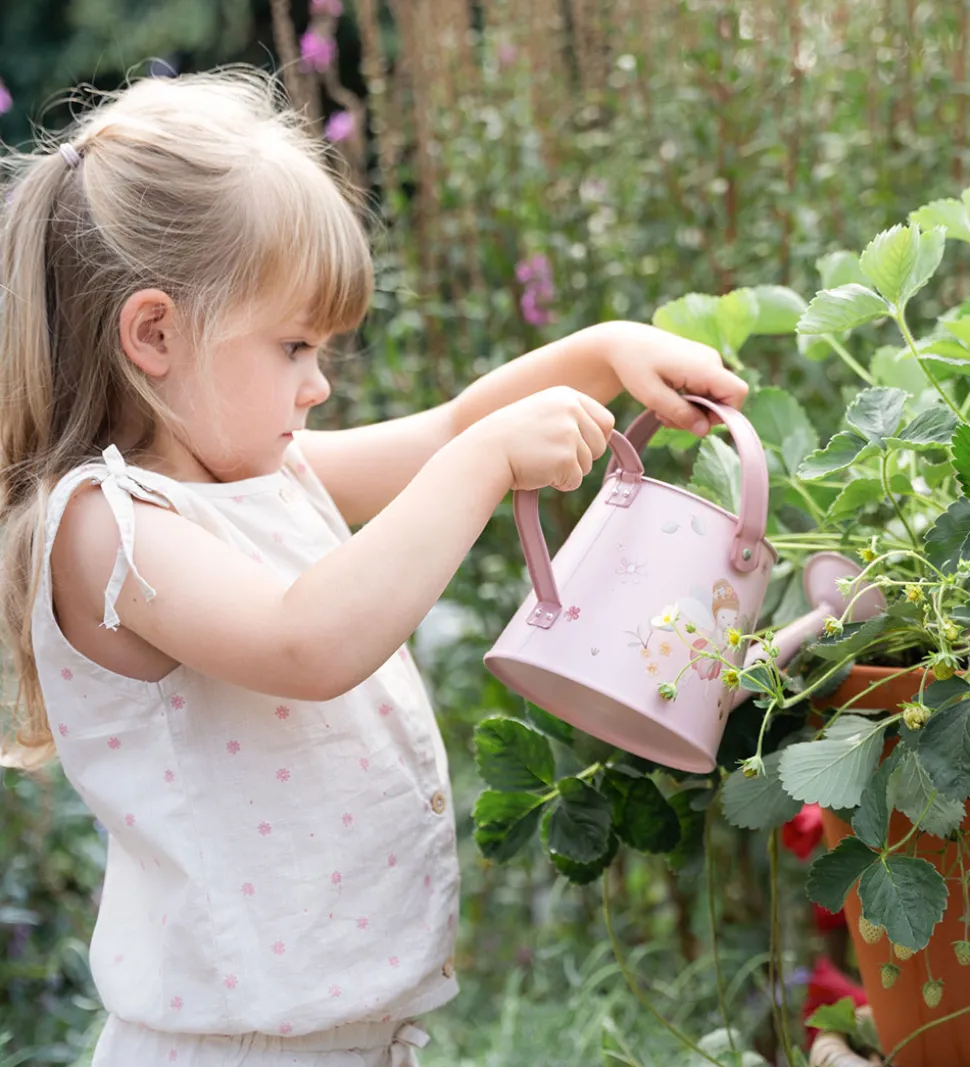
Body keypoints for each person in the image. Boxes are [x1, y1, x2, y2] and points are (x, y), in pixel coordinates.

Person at [0, 67, 748, 1066]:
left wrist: (607, 352)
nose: (316, 385)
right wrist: (482, 464)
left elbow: (447, 424)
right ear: (154, 335)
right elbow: (305, 640)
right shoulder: (106, 528)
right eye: (295, 343)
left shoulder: (266, 474)